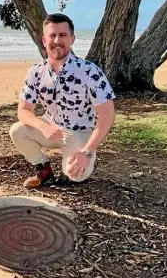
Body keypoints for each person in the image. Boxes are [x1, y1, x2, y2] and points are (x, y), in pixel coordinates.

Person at [9, 13, 116, 188]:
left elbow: (107, 115)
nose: (57, 40)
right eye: (52, 35)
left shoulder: (89, 71)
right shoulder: (36, 72)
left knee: (75, 175)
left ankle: (78, 159)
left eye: (63, 35)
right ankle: (44, 171)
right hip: (51, 126)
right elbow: (23, 110)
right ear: (44, 41)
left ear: (72, 39)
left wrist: (87, 153)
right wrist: (43, 126)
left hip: (80, 131)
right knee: (17, 131)